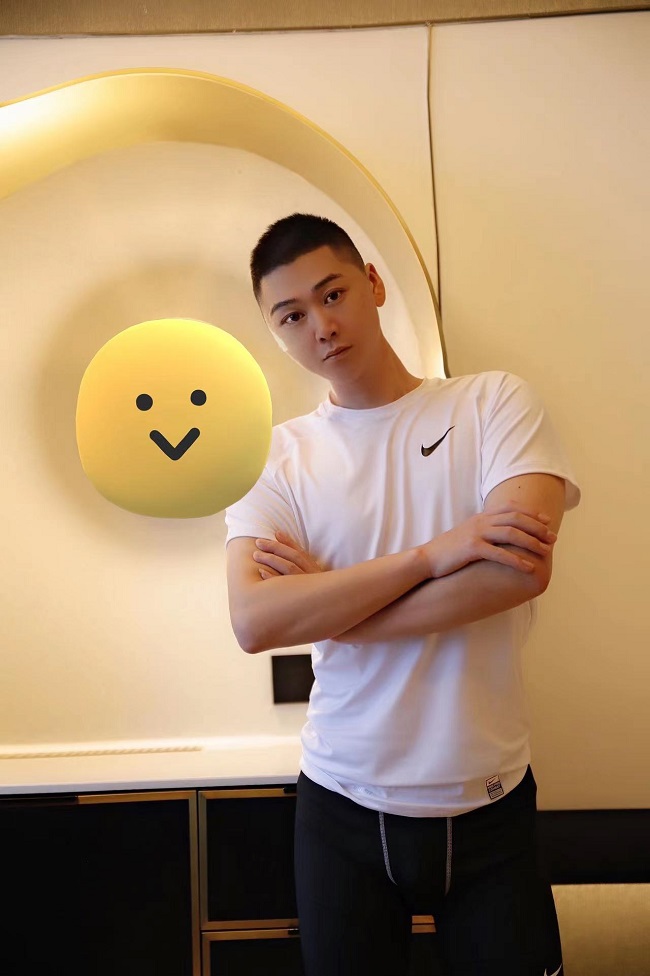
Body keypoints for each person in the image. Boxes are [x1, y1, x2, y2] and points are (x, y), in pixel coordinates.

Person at [224, 213, 579, 976]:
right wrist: (433, 554)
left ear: (374, 284)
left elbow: (519, 571)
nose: (321, 326)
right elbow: (254, 621)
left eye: (333, 294)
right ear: (276, 333)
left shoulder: (493, 405)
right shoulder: (276, 459)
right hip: (341, 805)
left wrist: (333, 605)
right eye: (292, 315)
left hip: (490, 803)